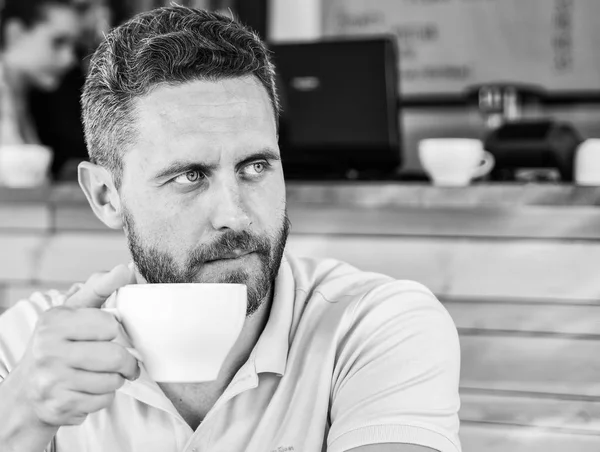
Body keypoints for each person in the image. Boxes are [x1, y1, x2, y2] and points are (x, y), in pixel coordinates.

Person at [0, 6, 461, 452]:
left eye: (255, 166)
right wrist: (23, 415)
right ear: (106, 195)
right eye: (189, 175)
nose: (235, 215)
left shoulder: (374, 327)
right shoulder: (25, 347)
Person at [0, 0, 80, 146]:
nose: (69, 59)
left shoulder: (21, 98)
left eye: (74, 46)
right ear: (15, 33)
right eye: (58, 42)